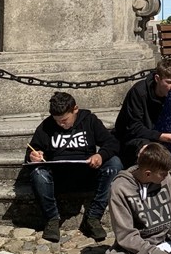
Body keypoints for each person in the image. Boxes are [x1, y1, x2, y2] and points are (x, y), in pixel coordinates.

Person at [26, 91, 121, 243]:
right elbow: (32, 149)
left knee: (114, 164)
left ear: (75, 109)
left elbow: (112, 143)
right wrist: (33, 155)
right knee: (38, 172)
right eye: (57, 121)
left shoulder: (89, 121)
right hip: (58, 177)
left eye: (64, 120)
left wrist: (100, 156)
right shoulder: (47, 126)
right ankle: (52, 219)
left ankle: (93, 217)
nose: (61, 124)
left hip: (87, 173)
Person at [114, 57, 171, 210]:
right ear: (157, 78)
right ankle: (144, 189)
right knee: (147, 149)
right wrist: (164, 137)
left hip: (161, 132)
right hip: (134, 137)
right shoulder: (139, 92)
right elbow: (134, 128)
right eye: (169, 82)